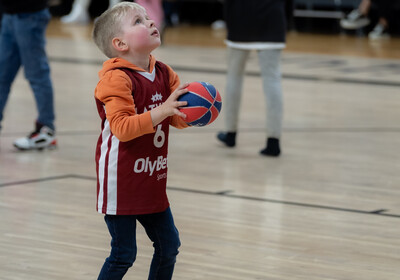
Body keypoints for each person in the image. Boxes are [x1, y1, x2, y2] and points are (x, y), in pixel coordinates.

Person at [92, 2, 190, 279]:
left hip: (152, 177)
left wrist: (194, 112)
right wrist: (164, 110)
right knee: (124, 254)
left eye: (148, 17)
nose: (149, 22)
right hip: (120, 180)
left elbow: (175, 119)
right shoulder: (115, 79)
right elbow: (122, 128)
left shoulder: (164, 72)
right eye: (138, 21)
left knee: (169, 246)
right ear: (120, 43)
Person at [217, 0, 286, 157]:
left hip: (240, 18)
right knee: (273, 80)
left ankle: (230, 133)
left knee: (234, 76)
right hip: (273, 17)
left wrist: (228, 19)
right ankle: (273, 141)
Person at [0, 0, 56, 150]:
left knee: (37, 74)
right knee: (2, 76)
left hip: (30, 15)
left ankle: (46, 129)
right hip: (9, 14)